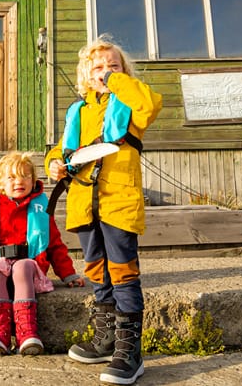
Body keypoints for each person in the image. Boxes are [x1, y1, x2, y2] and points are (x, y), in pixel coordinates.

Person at [45, 36, 163, 385]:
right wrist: (54, 164)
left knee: (123, 273)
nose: (106, 71)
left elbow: (150, 104)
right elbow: (61, 150)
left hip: (118, 201)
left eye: (114, 65)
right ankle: (106, 340)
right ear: (85, 75)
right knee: (97, 271)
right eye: (98, 67)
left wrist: (115, 80)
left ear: (124, 72)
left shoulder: (132, 103)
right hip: (83, 202)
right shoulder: (78, 111)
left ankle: (131, 354)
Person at [0, 151, 84, 355]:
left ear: (33, 180)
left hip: (30, 269)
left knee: (21, 266)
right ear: (0, 183)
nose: (19, 181)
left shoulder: (40, 209)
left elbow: (55, 244)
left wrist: (68, 274)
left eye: (25, 176)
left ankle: (27, 332)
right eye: (11, 177)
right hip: (0, 266)